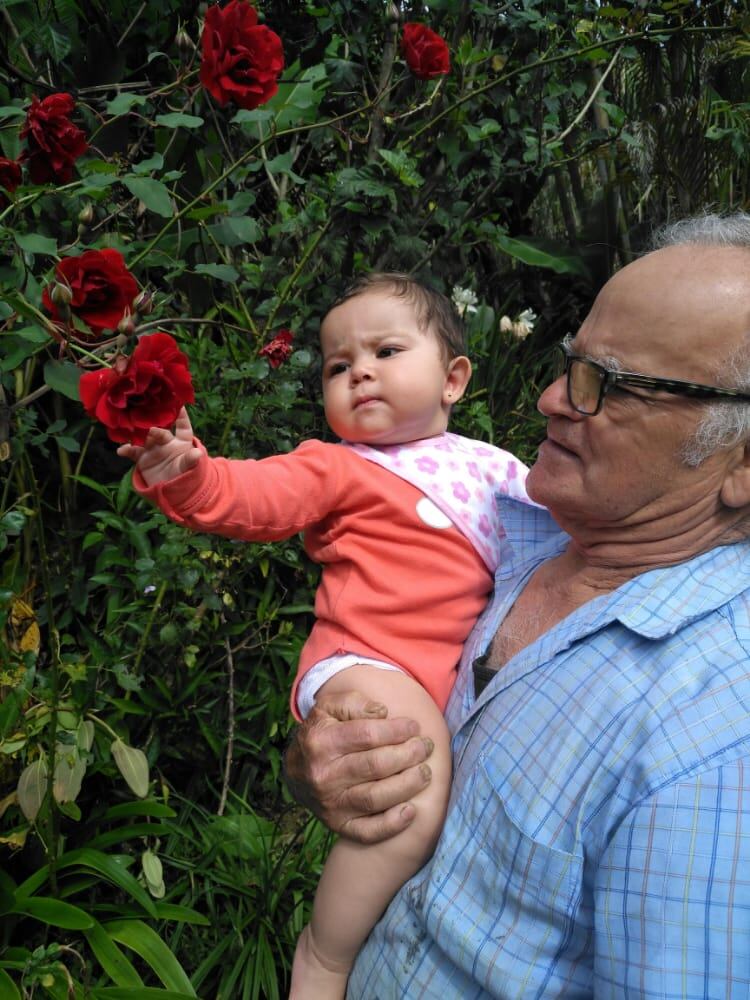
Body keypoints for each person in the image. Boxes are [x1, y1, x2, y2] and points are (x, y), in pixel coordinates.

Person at [285, 213, 750, 998]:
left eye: (610, 384)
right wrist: (322, 763)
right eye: (572, 362)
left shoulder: (713, 744)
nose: (548, 399)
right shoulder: (509, 529)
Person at [116, 273, 531, 998]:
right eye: (338, 366)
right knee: (412, 797)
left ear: (453, 379)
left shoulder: (493, 469)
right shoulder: (337, 466)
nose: (359, 371)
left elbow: (554, 543)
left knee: (424, 800)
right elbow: (250, 495)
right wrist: (189, 474)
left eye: (387, 350)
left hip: (436, 682)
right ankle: (324, 959)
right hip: (362, 661)